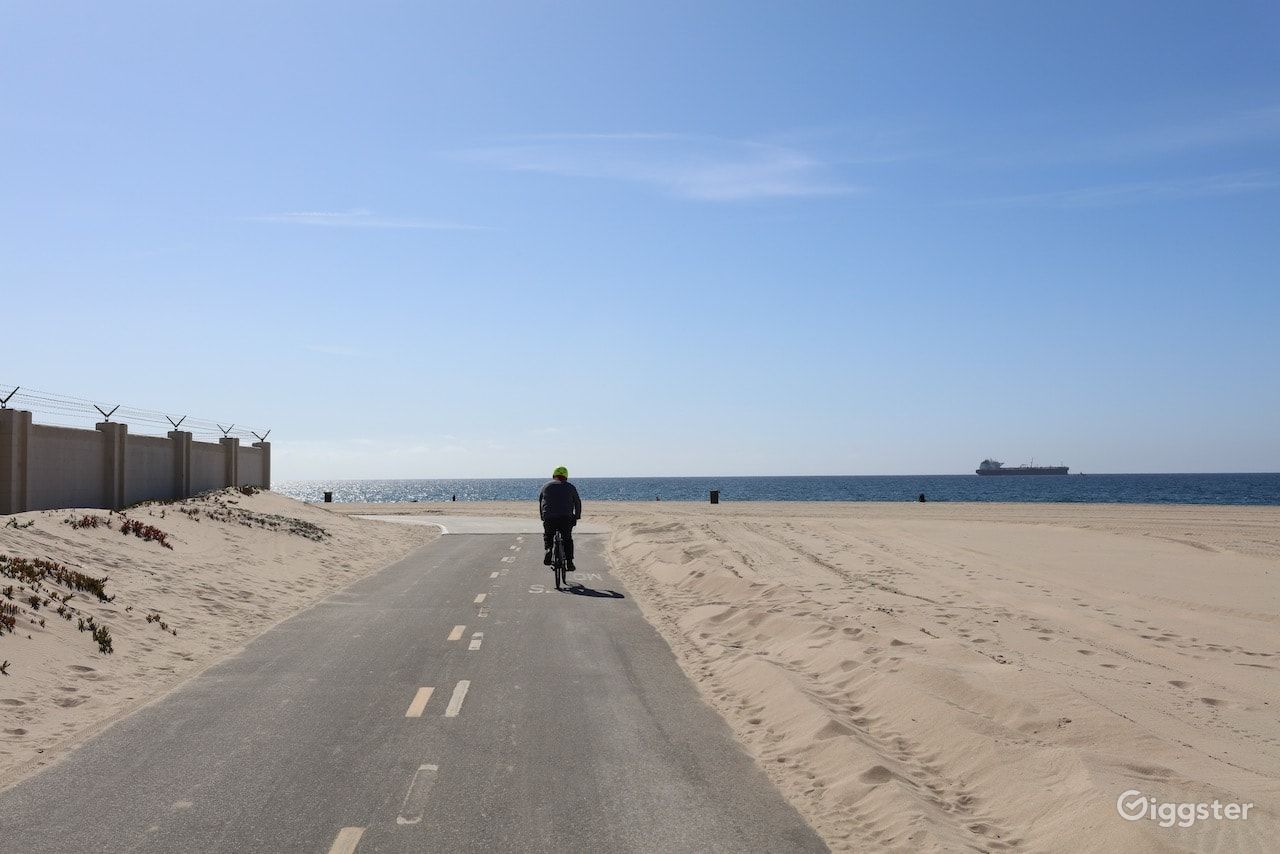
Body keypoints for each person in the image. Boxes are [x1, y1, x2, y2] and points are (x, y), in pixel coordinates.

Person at [539, 466, 581, 571]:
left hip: (549, 517)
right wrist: (576, 516)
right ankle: (570, 562)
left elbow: (541, 503)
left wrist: (543, 517)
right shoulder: (570, 487)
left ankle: (549, 549)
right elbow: (577, 502)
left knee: (548, 535)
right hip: (566, 518)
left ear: (554, 476)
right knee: (567, 539)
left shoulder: (546, 486)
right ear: (566, 477)